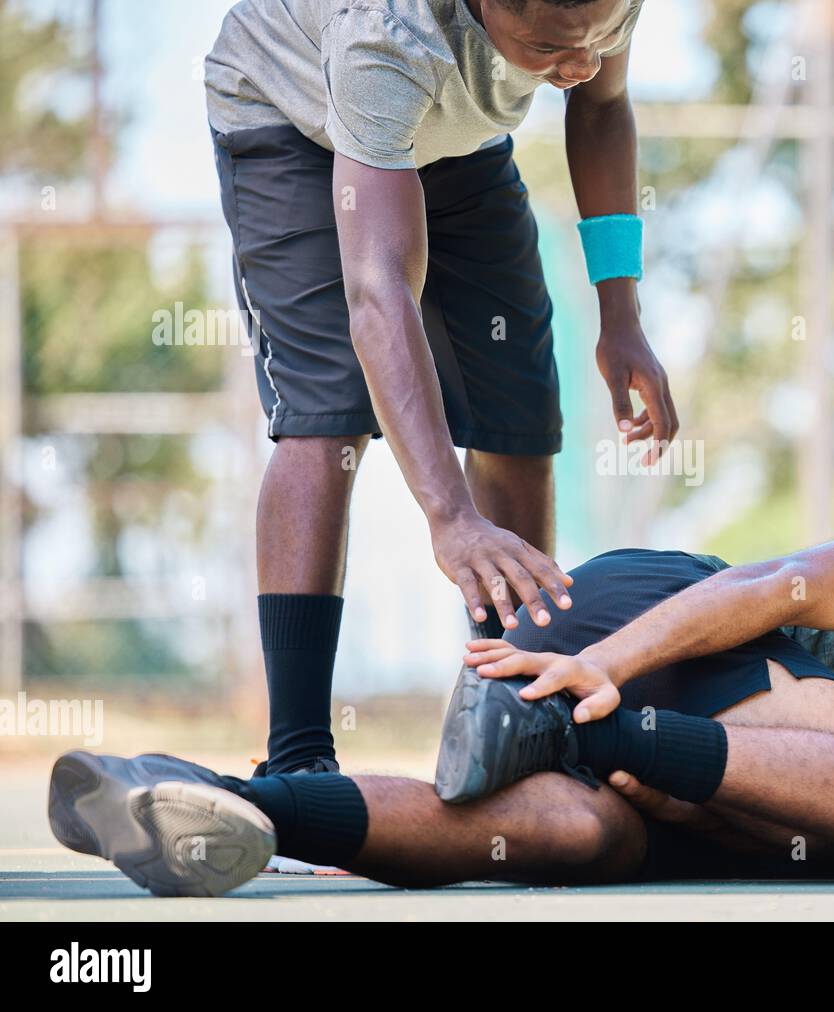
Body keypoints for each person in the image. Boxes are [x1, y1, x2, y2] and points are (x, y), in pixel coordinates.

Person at [47, 517, 834, 894]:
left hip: (667, 764)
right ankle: (576, 723)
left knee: (576, 839)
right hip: (637, 626)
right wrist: (607, 674)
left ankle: (202, 802)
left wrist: (651, 778)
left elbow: (801, 853)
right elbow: (764, 586)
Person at [204, 0, 676, 785]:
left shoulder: (597, 6)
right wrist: (448, 516)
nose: (582, 63)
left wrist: (620, 315)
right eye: (551, 49)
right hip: (290, 114)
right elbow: (379, 290)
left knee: (519, 412)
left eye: (597, 40)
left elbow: (602, 107)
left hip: (451, 134)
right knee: (329, 418)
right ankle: (297, 760)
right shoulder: (386, 34)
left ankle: (517, 726)